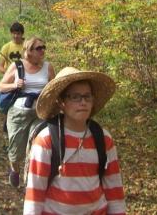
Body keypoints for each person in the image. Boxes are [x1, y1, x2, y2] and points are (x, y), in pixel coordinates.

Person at [24, 67, 127, 215]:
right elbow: (35, 192)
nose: (83, 102)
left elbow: (114, 187)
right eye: (75, 97)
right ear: (61, 102)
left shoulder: (103, 139)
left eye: (87, 96)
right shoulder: (46, 140)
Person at [0, 37, 54, 187]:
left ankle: (30, 181)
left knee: (36, 147)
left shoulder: (48, 67)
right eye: (39, 48)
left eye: (43, 47)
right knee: (16, 151)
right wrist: (15, 85)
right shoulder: (17, 66)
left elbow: (54, 89)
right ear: (29, 51)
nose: (42, 51)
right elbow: (1, 86)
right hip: (19, 113)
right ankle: (15, 169)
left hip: (40, 113)